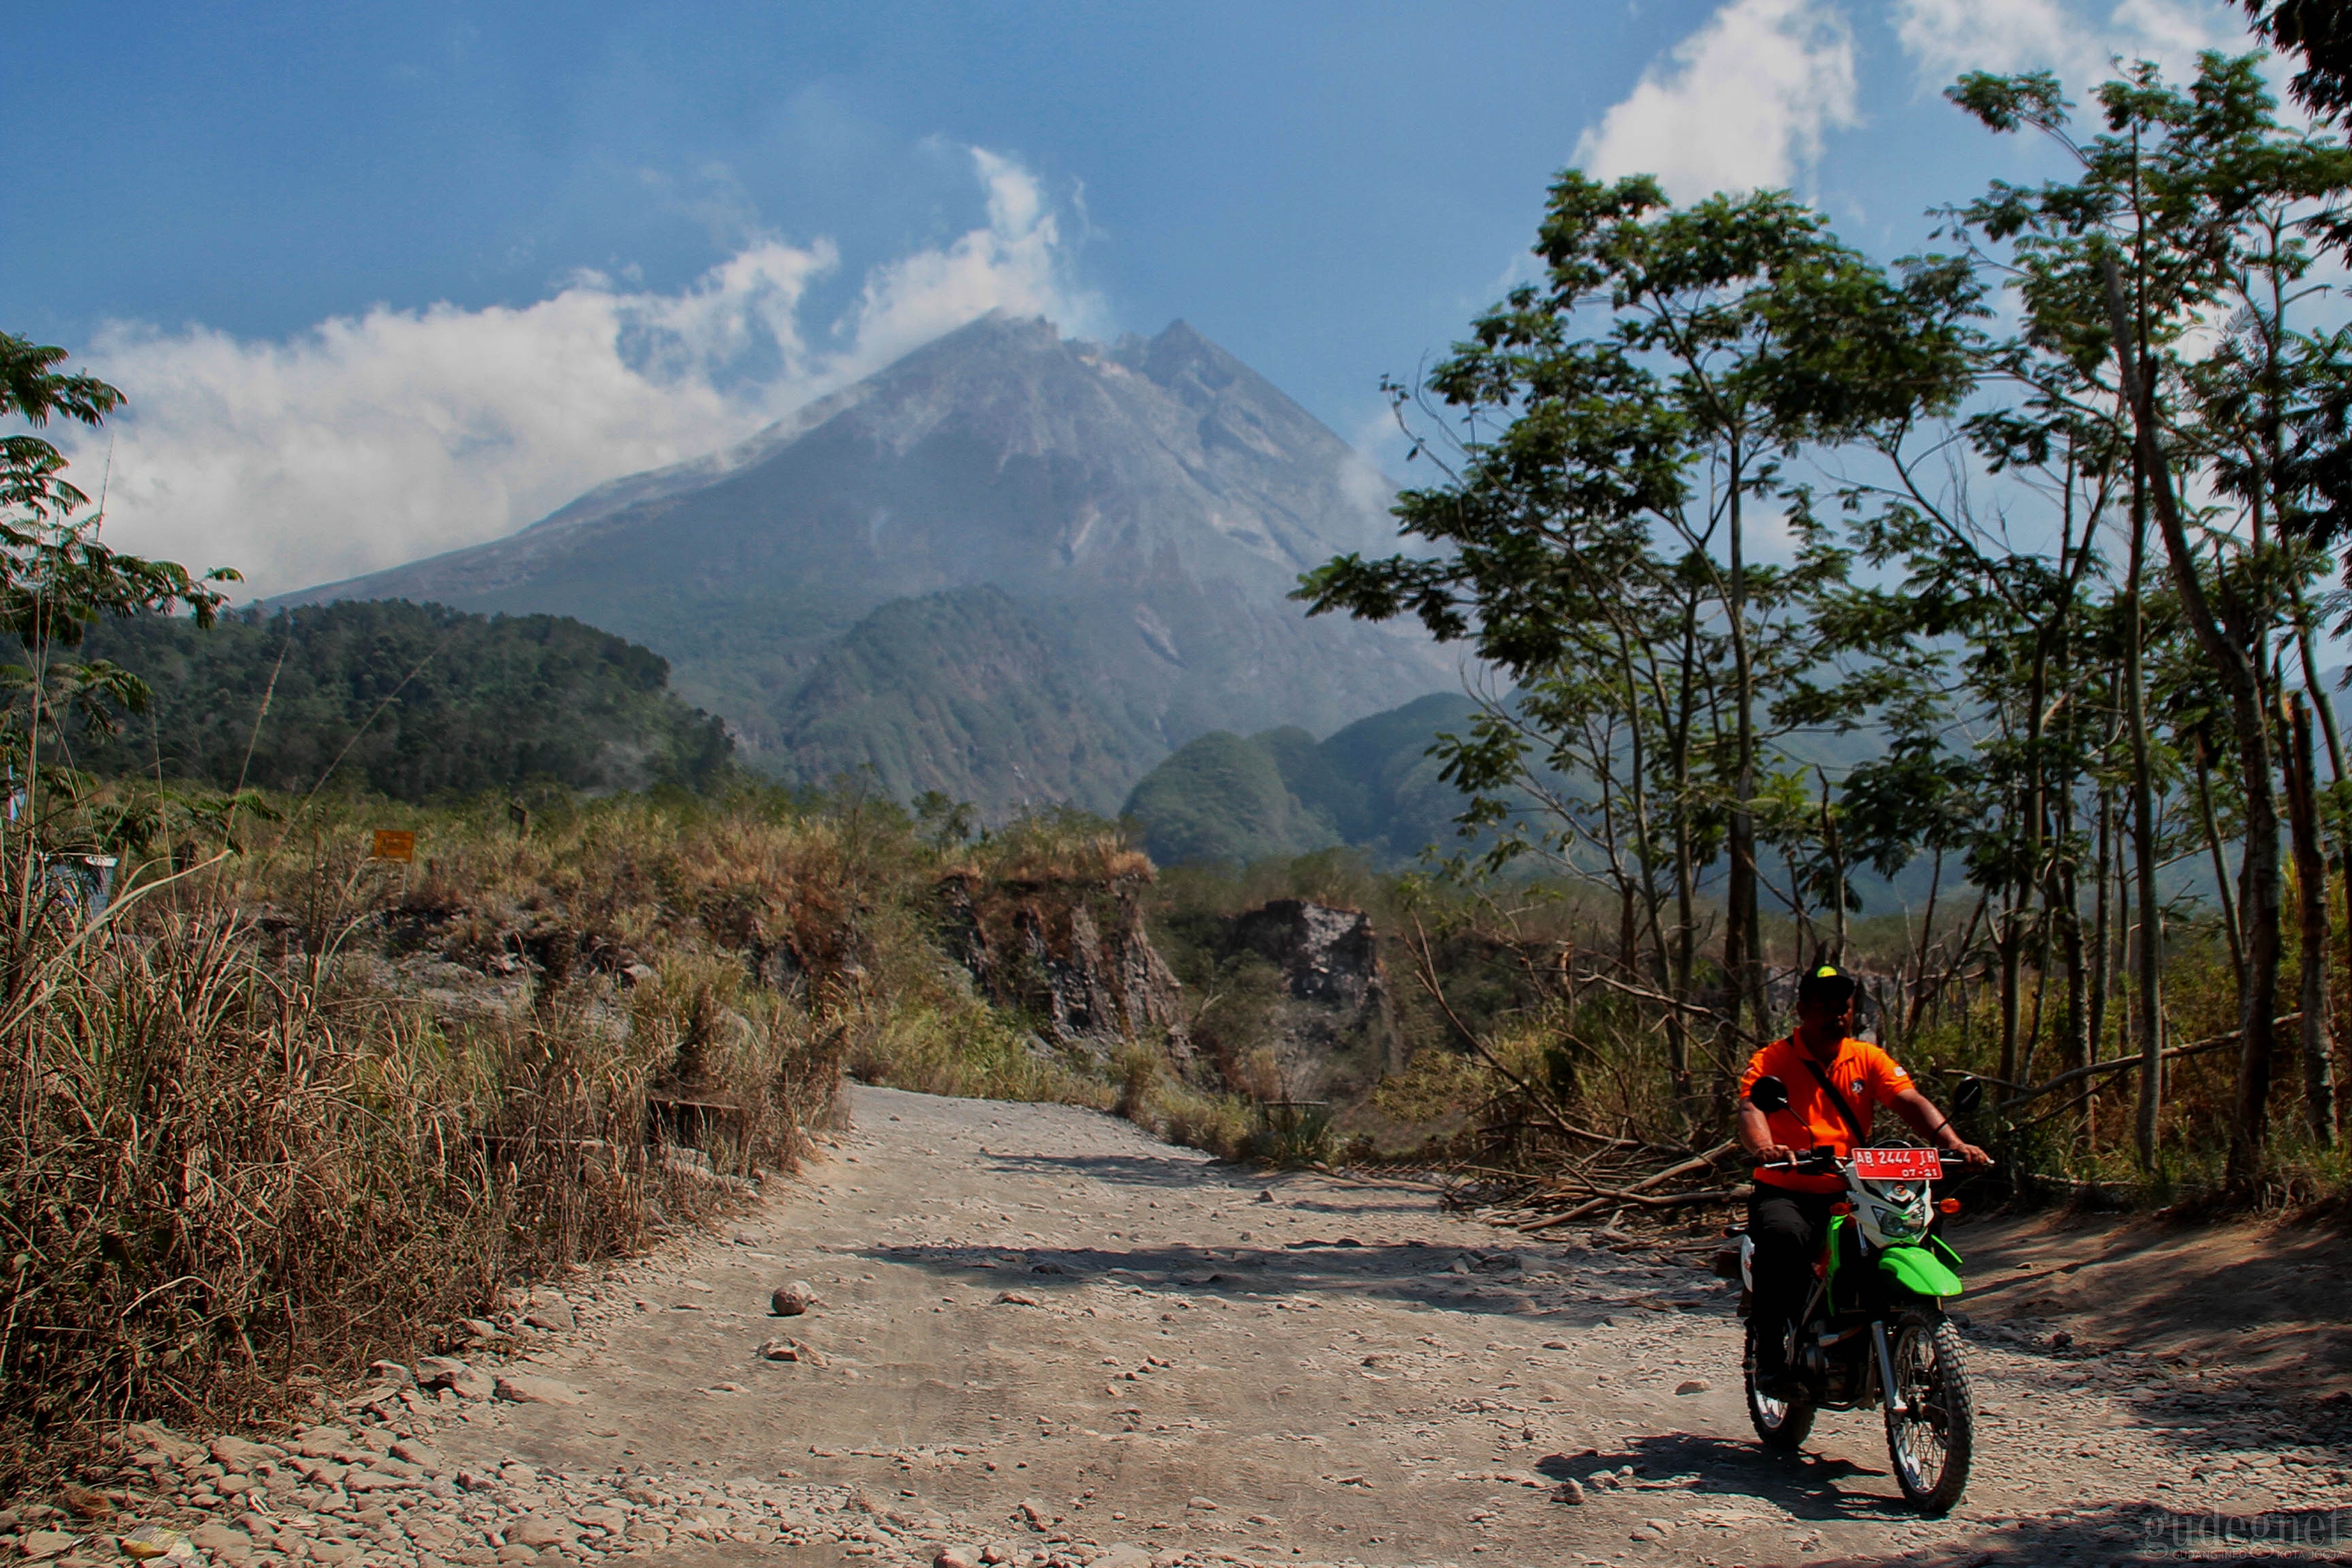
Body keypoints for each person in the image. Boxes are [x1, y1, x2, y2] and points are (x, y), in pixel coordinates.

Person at [1735, 963, 1992, 1397]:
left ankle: (1903, 1325)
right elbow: (1751, 1108)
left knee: (1915, 1230)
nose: (1836, 1015)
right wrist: (1766, 1147)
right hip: (1789, 1186)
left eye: (1844, 1008)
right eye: (1824, 1007)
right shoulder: (1772, 1061)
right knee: (1782, 1235)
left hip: (1854, 1187)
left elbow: (1908, 1099)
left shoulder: (1867, 1058)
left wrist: (1955, 1143)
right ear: (1801, 1010)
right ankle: (1771, 1360)